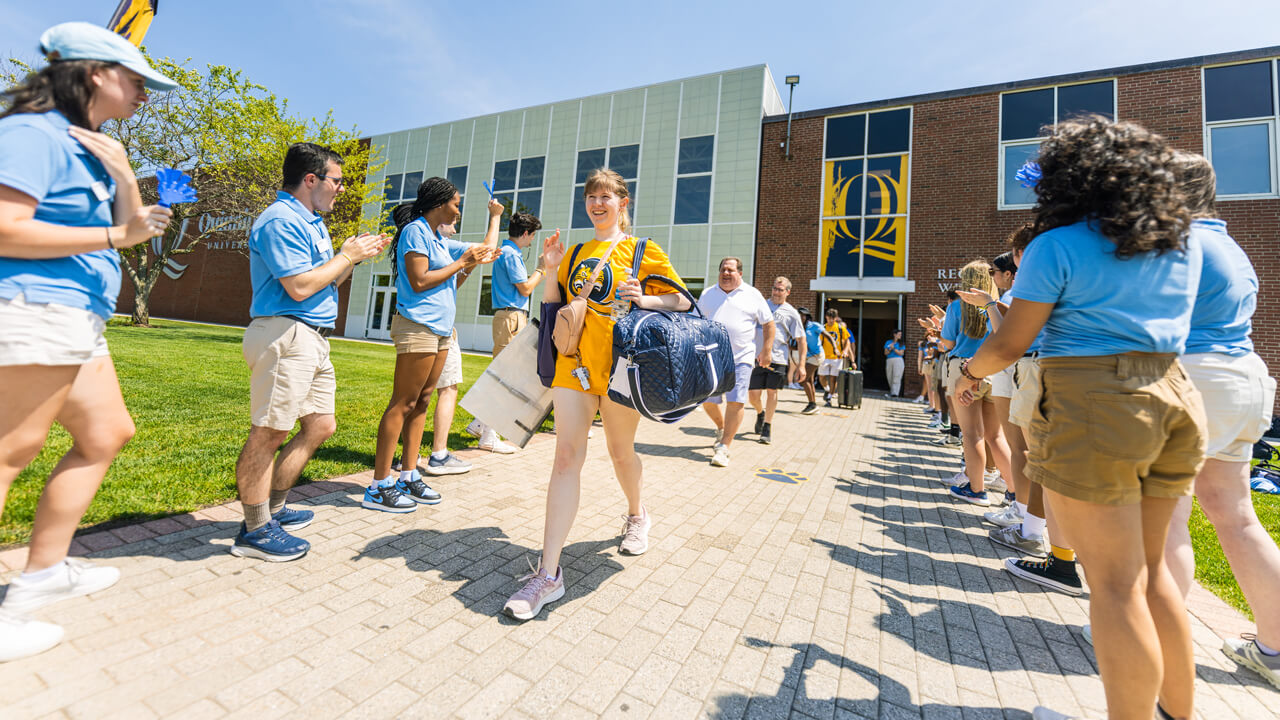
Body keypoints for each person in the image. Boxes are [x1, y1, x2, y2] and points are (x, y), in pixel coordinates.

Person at [955, 117, 1205, 720]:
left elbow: (1012, 342)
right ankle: (1177, 713)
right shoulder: (1175, 242)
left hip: (1097, 401)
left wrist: (969, 375)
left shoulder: (1056, 245)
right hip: (1173, 395)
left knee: (1114, 588)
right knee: (1154, 578)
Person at [0, 21, 178, 662]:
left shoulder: (87, 143)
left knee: (106, 433)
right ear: (96, 73)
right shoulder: (32, 133)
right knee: (9, 450)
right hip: (34, 306)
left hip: (77, 315)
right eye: (137, 82)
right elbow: (4, 228)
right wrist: (111, 239)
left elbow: (129, 226)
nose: (145, 95)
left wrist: (125, 172)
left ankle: (43, 572)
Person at [502, 168, 688, 620]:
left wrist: (645, 298)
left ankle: (637, 513)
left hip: (624, 368)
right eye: (591, 196)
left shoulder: (643, 250)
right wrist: (549, 270)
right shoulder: (579, 251)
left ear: (623, 203)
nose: (597, 203)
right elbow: (554, 305)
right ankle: (548, 574)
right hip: (574, 367)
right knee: (566, 457)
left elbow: (681, 301)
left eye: (607, 196)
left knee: (620, 452)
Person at [1159, 152, 1280, 689]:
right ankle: (1274, 651)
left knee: (1166, 517)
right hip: (1244, 378)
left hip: (1196, 376)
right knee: (1235, 515)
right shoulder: (1231, 246)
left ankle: (1153, 647)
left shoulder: (1180, 242)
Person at [234, 143, 390, 558]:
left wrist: (353, 259)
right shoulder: (280, 220)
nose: (341, 189)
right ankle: (254, 530)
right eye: (337, 181)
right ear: (311, 179)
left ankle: (276, 509)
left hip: (312, 337)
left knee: (320, 425)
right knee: (270, 432)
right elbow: (299, 286)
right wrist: (346, 254)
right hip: (286, 334)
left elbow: (321, 282)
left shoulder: (311, 222)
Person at [366, 179, 501, 512]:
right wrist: (461, 263)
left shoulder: (439, 239)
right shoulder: (416, 231)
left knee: (423, 400)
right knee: (403, 402)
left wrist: (494, 221)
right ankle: (379, 485)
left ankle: (409, 475)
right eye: (456, 203)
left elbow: (480, 253)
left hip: (440, 331)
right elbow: (419, 279)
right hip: (418, 327)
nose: (458, 209)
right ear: (440, 203)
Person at [464, 211, 544, 454]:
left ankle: (481, 424)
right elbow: (526, 288)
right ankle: (488, 435)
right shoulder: (510, 254)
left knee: (503, 375)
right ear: (526, 233)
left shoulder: (507, 252)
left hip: (508, 316)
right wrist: (542, 269)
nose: (532, 241)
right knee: (505, 377)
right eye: (532, 236)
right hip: (512, 317)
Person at [937, 260, 1013, 507]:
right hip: (994, 368)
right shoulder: (998, 306)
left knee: (972, 434)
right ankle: (1014, 491)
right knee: (996, 435)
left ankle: (976, 489)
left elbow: (947, 343)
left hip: (965, 368)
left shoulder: (957, 307)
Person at [697, 257, 774, 467]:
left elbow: (768, 324)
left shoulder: (752, 295)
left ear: (740, 273)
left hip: (741, 358)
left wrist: (766, 351)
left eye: (730, 270)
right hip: (712, 358)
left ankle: (724, 447)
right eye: (723, 269)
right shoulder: (707, 294)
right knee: (708, 401)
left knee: (736, 401)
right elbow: (696, 323)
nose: (726, 273)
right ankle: (722, 428)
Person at [748, 276, 805, 445]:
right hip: (757, 357)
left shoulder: (792, 313)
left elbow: (801, 340)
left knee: (772, 392)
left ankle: (767, 426)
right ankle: (760, 413)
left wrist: (801, 365)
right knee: (753, 395)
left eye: (780, 290)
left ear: (788, 292)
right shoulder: (761, 305)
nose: (776, 292)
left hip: (778, 358)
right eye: (774, 288)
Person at [817, 308, 851, 406]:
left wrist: (845, 351)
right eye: (829, 318)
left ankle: (829, 398)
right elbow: (818, 342)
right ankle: (827, 390)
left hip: (837, 357)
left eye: (833, 318)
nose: (831, 320)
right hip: (824, 356)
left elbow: (847, 341)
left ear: (836, 318)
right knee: (822, 377)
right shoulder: (823, 328)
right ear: (826, 317)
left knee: (833, 378)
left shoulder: (840, 328)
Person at [797, 307, 823, 414]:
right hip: (808, 356)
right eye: (799, 315)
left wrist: (835, 347)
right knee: (809, 380)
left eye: (803, 315)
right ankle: (813, 404)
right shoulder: (798, 328)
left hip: (817, 355)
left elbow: (827, 335)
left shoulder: (814, 325)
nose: (801, 317)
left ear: (807, 316)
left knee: (803, 379)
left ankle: (812, 404)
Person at [883, 329, 905, 397]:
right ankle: (892, 392)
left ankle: (895, 394)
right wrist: (890, 348)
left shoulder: (901, 343)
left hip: (898, 360)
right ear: (894, 335)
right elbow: (885, 353)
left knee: (896, 376)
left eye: (901, 334)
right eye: (899, 334)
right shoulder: (888, 342)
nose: (900, 336)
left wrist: (894, 348)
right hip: (889, 360)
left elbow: (901, 353)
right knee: (889, 376)